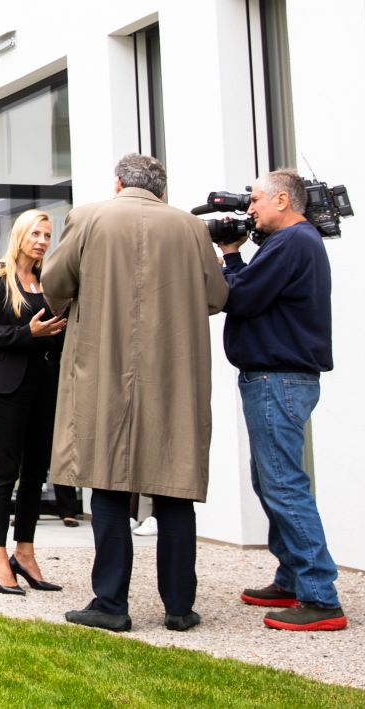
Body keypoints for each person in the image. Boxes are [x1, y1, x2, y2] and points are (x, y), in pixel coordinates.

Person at [42, 154, 229, 633]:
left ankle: (110, 603)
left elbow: (54, 283)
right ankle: (179, 607)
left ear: (119, 182)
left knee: (107, 484)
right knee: (174, 489)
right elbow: (216, 295)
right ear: (162, 190)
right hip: (173, 370)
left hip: (105, 364)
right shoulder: (190, 228)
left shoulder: (87, 217)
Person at [218, 168, 347, 631]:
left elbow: (244, 298)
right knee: (270, 480)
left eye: (254, 200)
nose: (248, 209)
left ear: (282, 201)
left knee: (284, 485)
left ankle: (320, 595)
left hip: (278, 378)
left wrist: (230, 256)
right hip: (277, 378)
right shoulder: (291, 243)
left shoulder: (293, 241)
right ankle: (292, 576)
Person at [0, 209, 68, 595]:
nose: (42, 240)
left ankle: (24, 552)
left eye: (47, 234)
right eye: (36, 233)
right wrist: (27, 332)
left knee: (35, 475)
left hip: (46, 385)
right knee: (5, 472)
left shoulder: (49, 281)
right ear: (20, 235)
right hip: (7, 387)